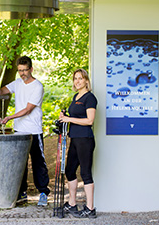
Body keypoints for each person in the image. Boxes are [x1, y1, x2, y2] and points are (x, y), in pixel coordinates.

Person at [0, 56, 50, 207]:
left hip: (34, 131)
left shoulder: (37, 86)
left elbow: (28, 110)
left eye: (24, 70)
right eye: (19, 70)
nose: (22, 74)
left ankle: (43, 193)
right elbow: (1, 92)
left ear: (31, 69)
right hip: (19, 131)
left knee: (38, 162)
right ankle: (22, 193)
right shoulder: (17, 83)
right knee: (20, 164)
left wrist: (9, 117)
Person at [59, 68, 98, 218]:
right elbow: (76, 116)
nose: (77, 81)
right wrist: (65, 117)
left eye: (80, 78)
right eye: (75, 78)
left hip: (85, 139)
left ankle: (90, 208)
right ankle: (72, 204)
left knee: (85, 173)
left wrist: (69, 119)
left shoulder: (90, 98)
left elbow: (89, 120)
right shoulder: (76, 96)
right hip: (75, 138)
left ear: (86, 81)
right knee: (70, 170)